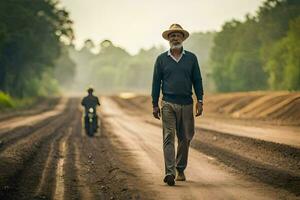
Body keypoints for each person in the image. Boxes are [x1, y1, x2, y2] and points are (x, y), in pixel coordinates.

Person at [151, 24, 204, 186]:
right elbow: (156, 82)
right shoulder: (161, 59)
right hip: (167, 103)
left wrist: (200, 100)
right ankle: (170, 172)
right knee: (168, 137)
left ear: (183, 38)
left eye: (178, 35)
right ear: (168, 39)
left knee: (185, 137)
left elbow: (197, 80)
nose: (175, 38)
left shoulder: (191, 58)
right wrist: (155, 103)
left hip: (187, 103)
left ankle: (180, 168)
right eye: (172, 35)